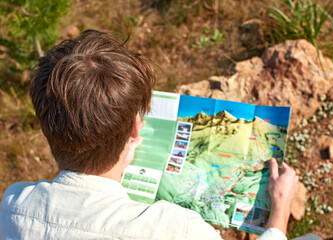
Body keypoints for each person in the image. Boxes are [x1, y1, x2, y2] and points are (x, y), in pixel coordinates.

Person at [0, 30, 298, 240]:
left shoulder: (13, 206)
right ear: (134, 128)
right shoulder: (177, 229)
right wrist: (280, 211)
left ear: (45, 126)